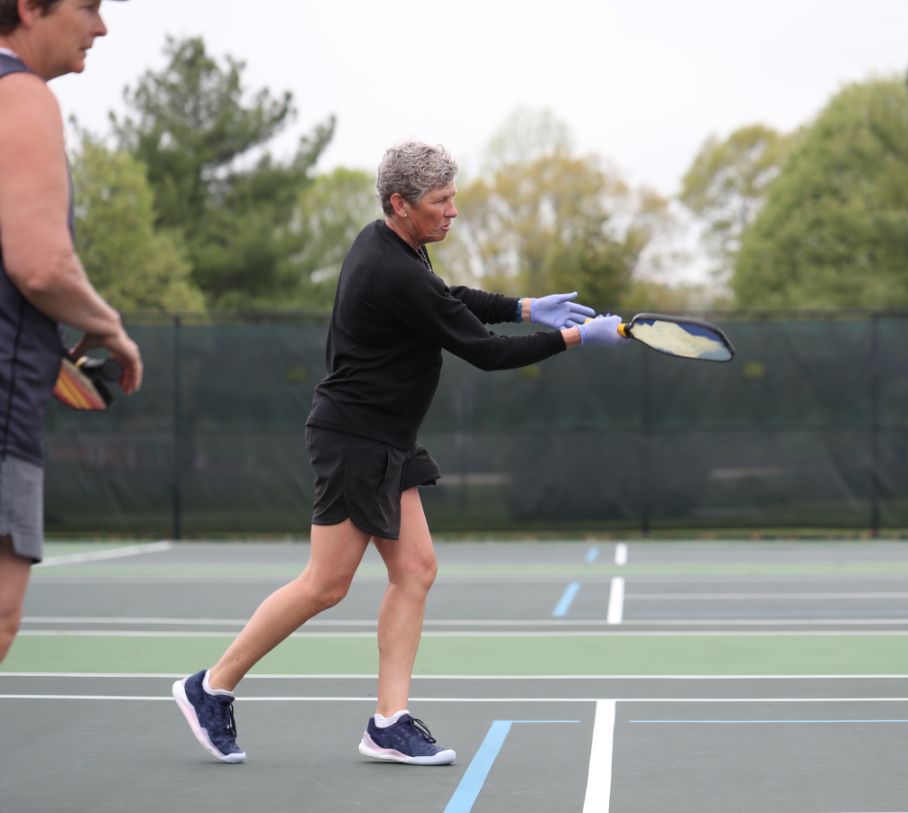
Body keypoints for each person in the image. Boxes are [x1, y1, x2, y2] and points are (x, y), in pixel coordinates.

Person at [172, 141, 628, 764]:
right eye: (440, 202)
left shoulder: (396, 248)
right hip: (356, 439)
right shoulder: (389, 268)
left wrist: (526, 307)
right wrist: (574, 337)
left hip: (388, 438)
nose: (452, 213)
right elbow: (488, 353)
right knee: (326, 584)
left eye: (453, 198)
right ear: (399, 203)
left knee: (414, 571)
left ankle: (389, 722)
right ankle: (211, 687)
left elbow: (450, 298)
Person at [0, 0, 142, 665]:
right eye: (88, 6)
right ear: (30, 8)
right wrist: (109, 327)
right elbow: (42, 265)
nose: (102, 26)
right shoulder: (21, 94)